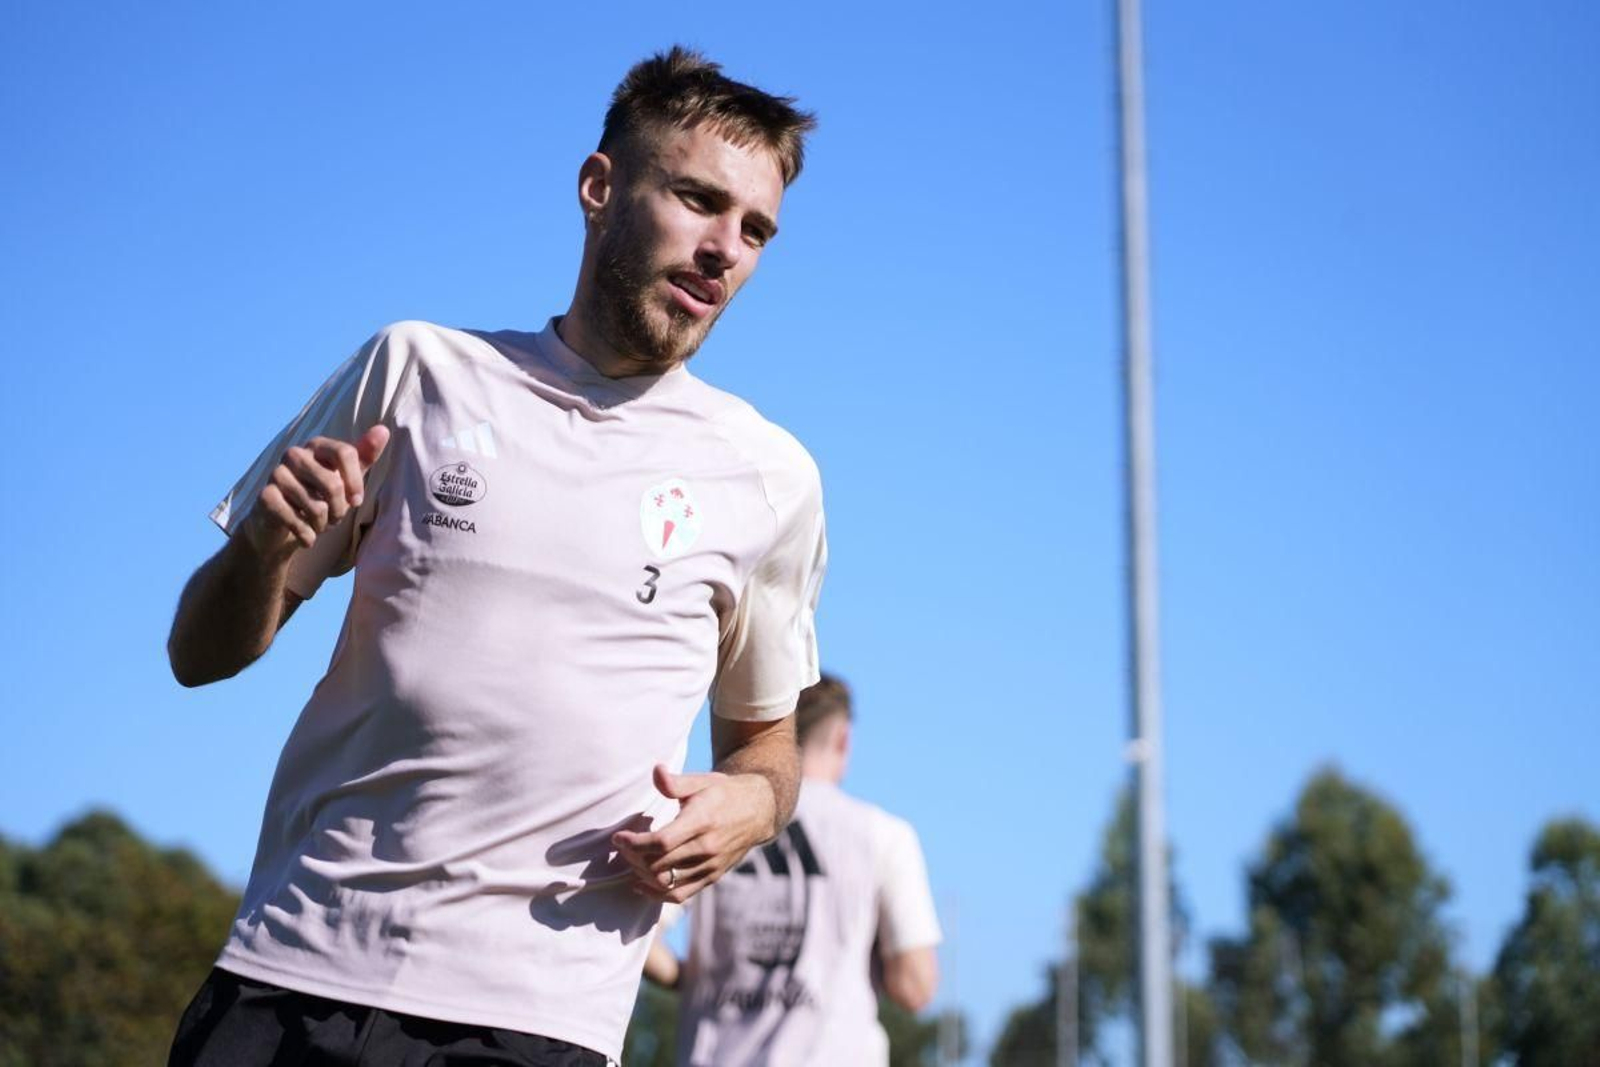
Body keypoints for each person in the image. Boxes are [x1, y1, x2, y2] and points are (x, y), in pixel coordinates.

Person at [164, 47, 825, 1067]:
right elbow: (199, 653)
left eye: (754, 229)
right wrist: (261, 548)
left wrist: (755, 801)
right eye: (697, 199)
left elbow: (767, 744)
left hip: (540, 1023)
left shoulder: (771, 476)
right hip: (296, 975)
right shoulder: (419, 367)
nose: (723, 248)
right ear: (599, 187)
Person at [643, 674, 941, 1065]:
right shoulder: (882, 836)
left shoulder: (719, 820)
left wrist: (691, 979)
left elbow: (644, 939)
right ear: (842, 739)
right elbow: (914, 987)